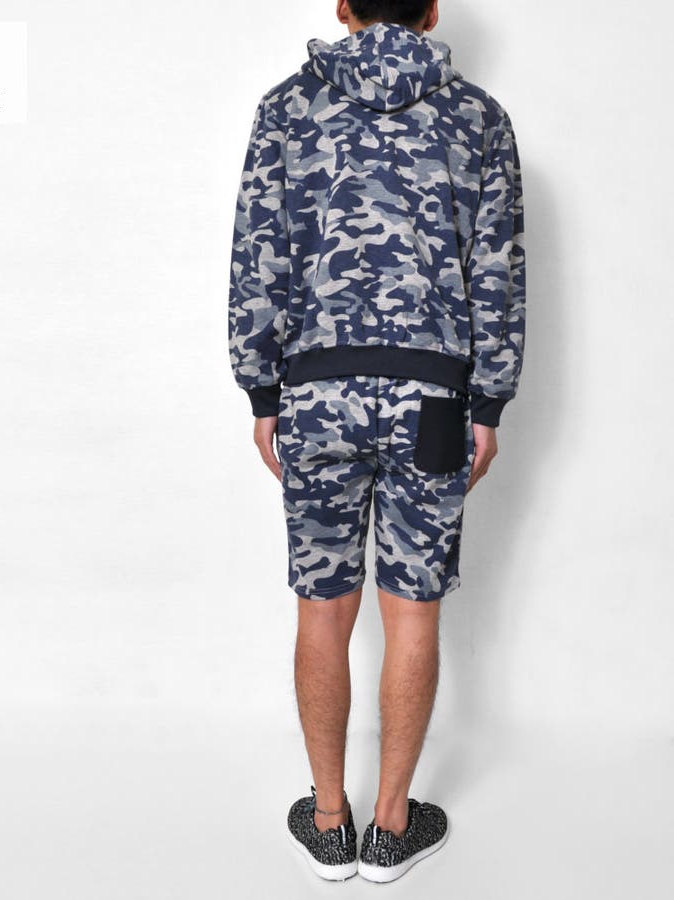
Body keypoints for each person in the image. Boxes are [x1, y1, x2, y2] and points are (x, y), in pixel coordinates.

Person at [226, 0, 525, 884]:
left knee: (322, 608)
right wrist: (488, 404)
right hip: (433, 399)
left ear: (342, 8)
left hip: (315, 393)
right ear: (431, 11)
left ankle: (329, 822)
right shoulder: (479, 117)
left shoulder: (287, 107)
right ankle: (391, 827)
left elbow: (256, 258)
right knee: (413, 610)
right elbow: (498, 273)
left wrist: (262, 390)